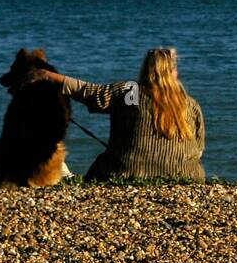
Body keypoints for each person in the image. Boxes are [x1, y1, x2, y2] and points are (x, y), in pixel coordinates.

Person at [26, 47, 206, 182]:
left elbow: (88, 92)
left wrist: (46, 74)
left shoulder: (131, 93)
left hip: (127, 173)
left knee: (101, 165)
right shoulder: (190, 105)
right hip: (186, 177)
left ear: (146, 70)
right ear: (174, 72)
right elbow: (198, 149)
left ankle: (68, 179)